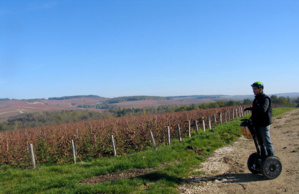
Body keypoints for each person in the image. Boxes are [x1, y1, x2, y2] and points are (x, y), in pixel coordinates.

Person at [245, 82, 274, 158]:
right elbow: (255, 113)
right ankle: (264, 157)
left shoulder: (265, 99)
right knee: (260, 143)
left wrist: (252, 109)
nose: (253, 91)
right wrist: (250, 119)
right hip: (257, 123)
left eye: (255, 89)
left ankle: (271, 158)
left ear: (261, 89)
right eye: (253, 89)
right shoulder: (256, 99)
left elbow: (263, 109)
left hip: (264, 124)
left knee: (267, 142)